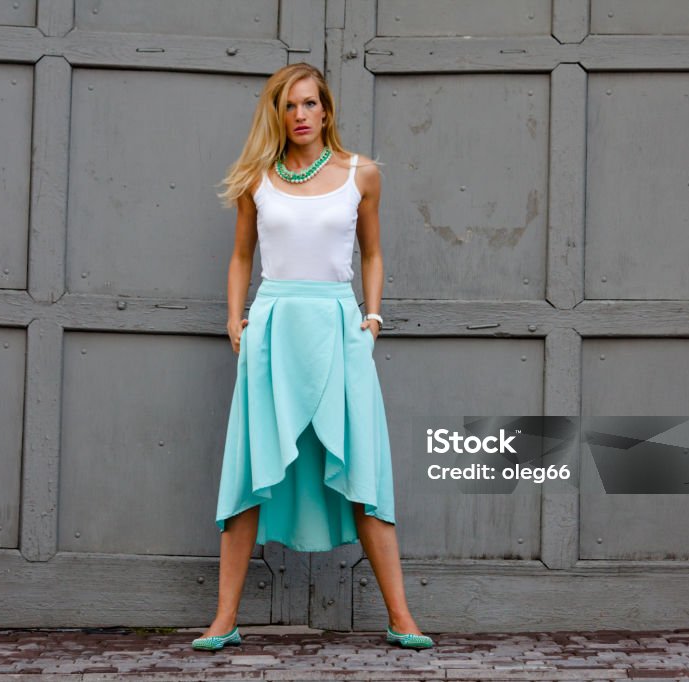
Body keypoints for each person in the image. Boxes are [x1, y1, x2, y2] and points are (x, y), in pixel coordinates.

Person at [191, 63, 434, 652]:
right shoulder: (258, 179)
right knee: (250, 469)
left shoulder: (362, 174)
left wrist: (371, 319)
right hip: (272, 330)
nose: (300, 115)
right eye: (288, 106)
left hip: (337, 326)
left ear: (326, 110)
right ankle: (225, 619)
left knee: (361, 464)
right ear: (277, 114)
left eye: (309, 104)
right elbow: (241, 256)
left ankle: (402, 617)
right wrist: (234, 318)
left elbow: (372, 254)